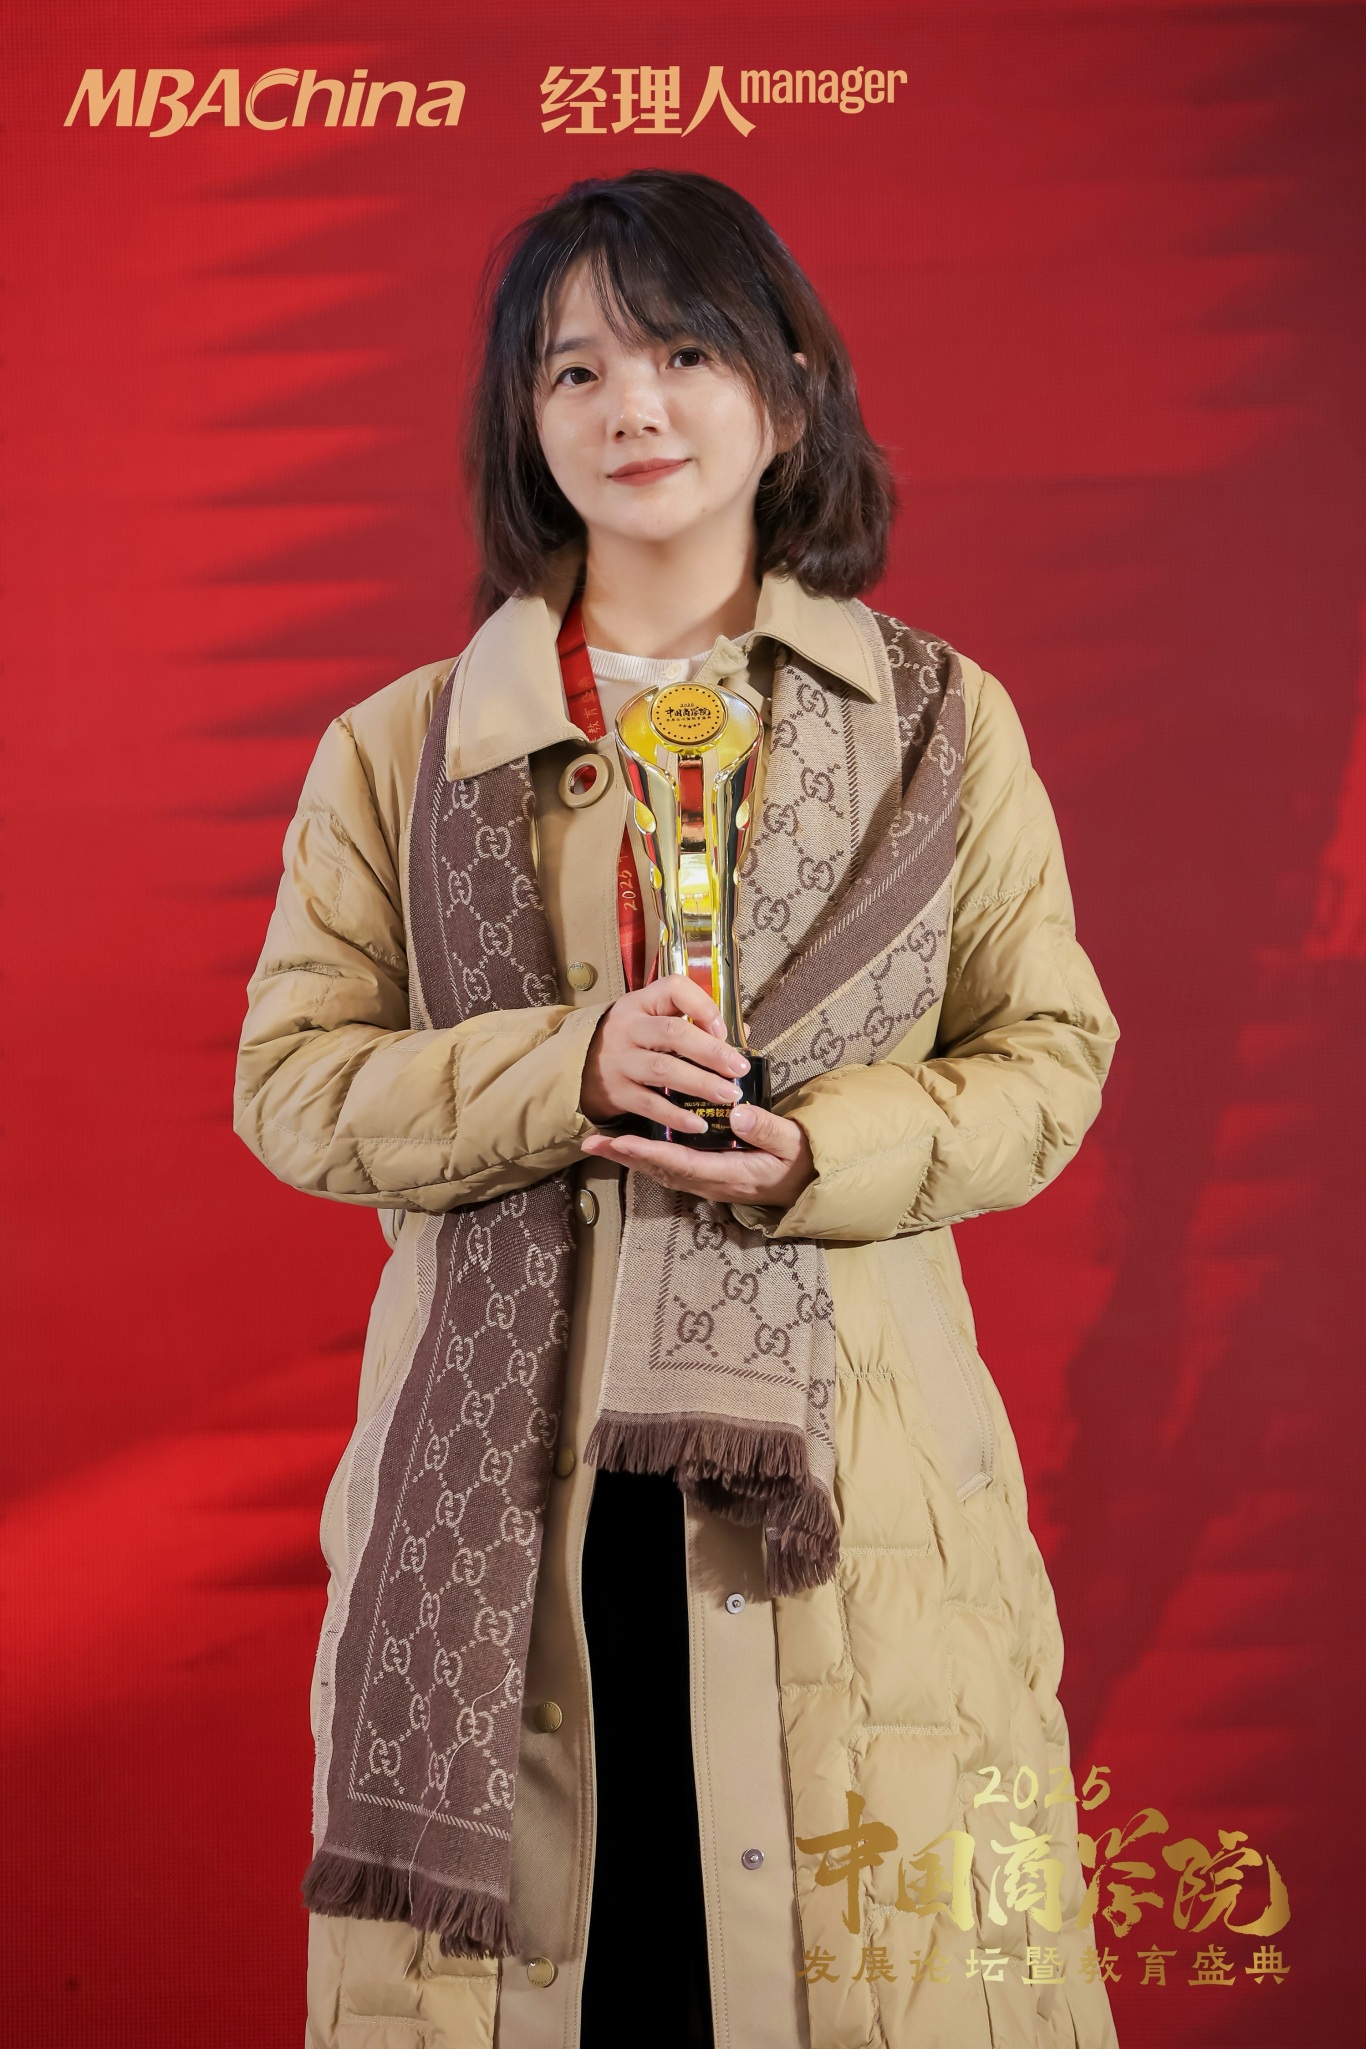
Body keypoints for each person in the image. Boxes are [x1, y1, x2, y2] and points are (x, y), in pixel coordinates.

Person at [234, 168, 1121, 2049]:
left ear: (787, 391)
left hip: (845, 1505)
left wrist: (818, 1149)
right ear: (524, 424)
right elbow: (291, 1084)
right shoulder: (396, 751)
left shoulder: (940, 724)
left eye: (682, 353)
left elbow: (1048, 1057)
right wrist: (561, 1066)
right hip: (507, 1503)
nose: (629, 405)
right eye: (573, 370)